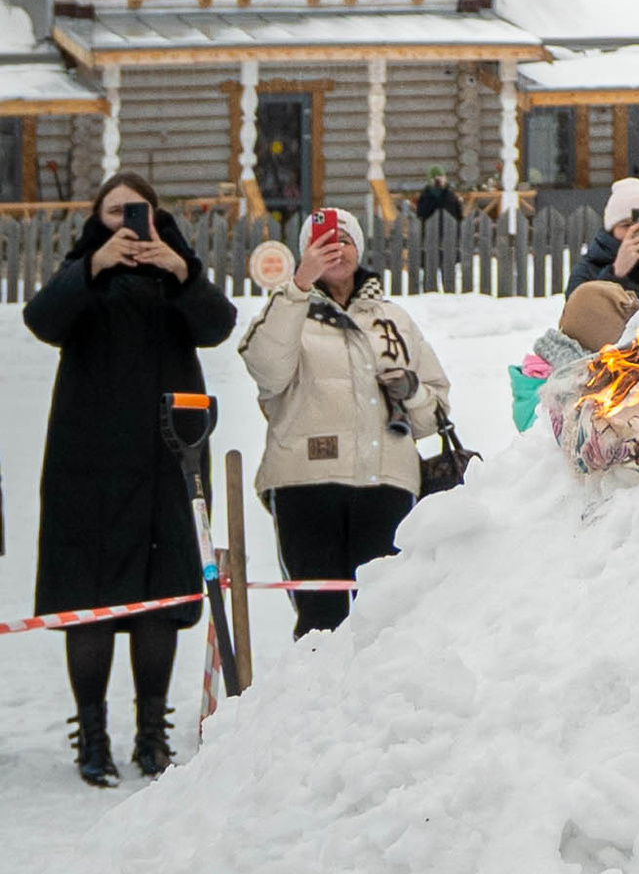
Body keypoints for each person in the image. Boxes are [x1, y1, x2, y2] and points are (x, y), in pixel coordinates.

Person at [23, 169, 237, 785]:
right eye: (115, 212)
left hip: (167, 453)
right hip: (85, 461)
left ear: (157, 214)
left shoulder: (178, 271)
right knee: (88, 600)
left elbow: (217, 325)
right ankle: (91, 734)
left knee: (160, 600)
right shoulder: (81, 270)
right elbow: (42, 321)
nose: (128, 223)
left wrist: (179, 269)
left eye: (137, 210)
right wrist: (94, 267)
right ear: (98, 218)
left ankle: (151, 735)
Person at [241, 204, 449, 635]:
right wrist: (298, 284)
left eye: (346, 240)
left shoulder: (393, 319)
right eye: (324, 243)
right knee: (320, 620)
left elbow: (434, 417)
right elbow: (267, 370)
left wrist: (411, 392)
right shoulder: (287, 310)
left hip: (387, 482)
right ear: (306, 253)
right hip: (306, 483)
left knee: (383, 618)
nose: (338, 249)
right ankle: (317, 702)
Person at [557, 180, 639, 353]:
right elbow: (578, 322)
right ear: (611, 229)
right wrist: (617, 274)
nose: (635, 232)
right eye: (627, 225)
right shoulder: (589, 267)